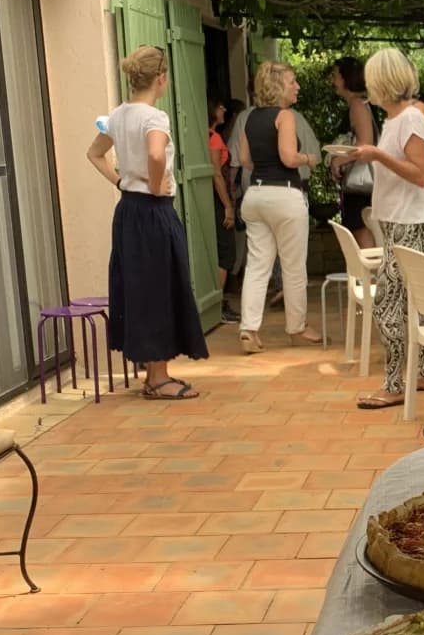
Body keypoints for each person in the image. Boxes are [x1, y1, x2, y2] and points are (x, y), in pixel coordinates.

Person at [86, 45, 209, 400]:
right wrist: (156, 185)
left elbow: (94, 153)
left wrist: (120, 180)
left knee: (141, 286)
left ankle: (153, 373)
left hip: (128, 210)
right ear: (161, 79)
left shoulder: (118, 115)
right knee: (160, 285)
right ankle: (158, 378)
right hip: (153, 211)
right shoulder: (155, 118)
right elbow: (156, 153)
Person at [348, 47, 424, 409]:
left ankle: (393, 384)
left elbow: (421, 175)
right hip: (398, 222)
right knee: (410, 303)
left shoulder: (410, 119)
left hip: (408, 223)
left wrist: (376, 155)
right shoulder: (395, 120)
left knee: (387, 304)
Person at [238, 60, 322, 352]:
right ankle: (297, 329)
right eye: (292, 82)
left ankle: (249, 329)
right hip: (285, 197)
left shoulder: (250, 118)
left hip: (256, 196)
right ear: (277, 87)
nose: (297, 86)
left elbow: (246, 161)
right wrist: (308, 159)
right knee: (293, 267)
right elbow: (288, 158)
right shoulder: (284, 116)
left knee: (257, 266)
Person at [327, 57, 377, 249]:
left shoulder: (357, 105)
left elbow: (365, 143)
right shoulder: (361, 103)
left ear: (346, 78)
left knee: (359, 229)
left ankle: (370, 276)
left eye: (336, 76)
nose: (333, 81)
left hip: (360, 184)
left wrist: (338, 161)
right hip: (361, 184)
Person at [207, 101, 239, 325]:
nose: (224, 109)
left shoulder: (203, 136)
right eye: (220, 106)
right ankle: (218, 306)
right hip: (218, 201)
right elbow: (216, 174)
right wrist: (227, 205)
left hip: (207, 201)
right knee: (226, 253)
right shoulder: (215, 138)